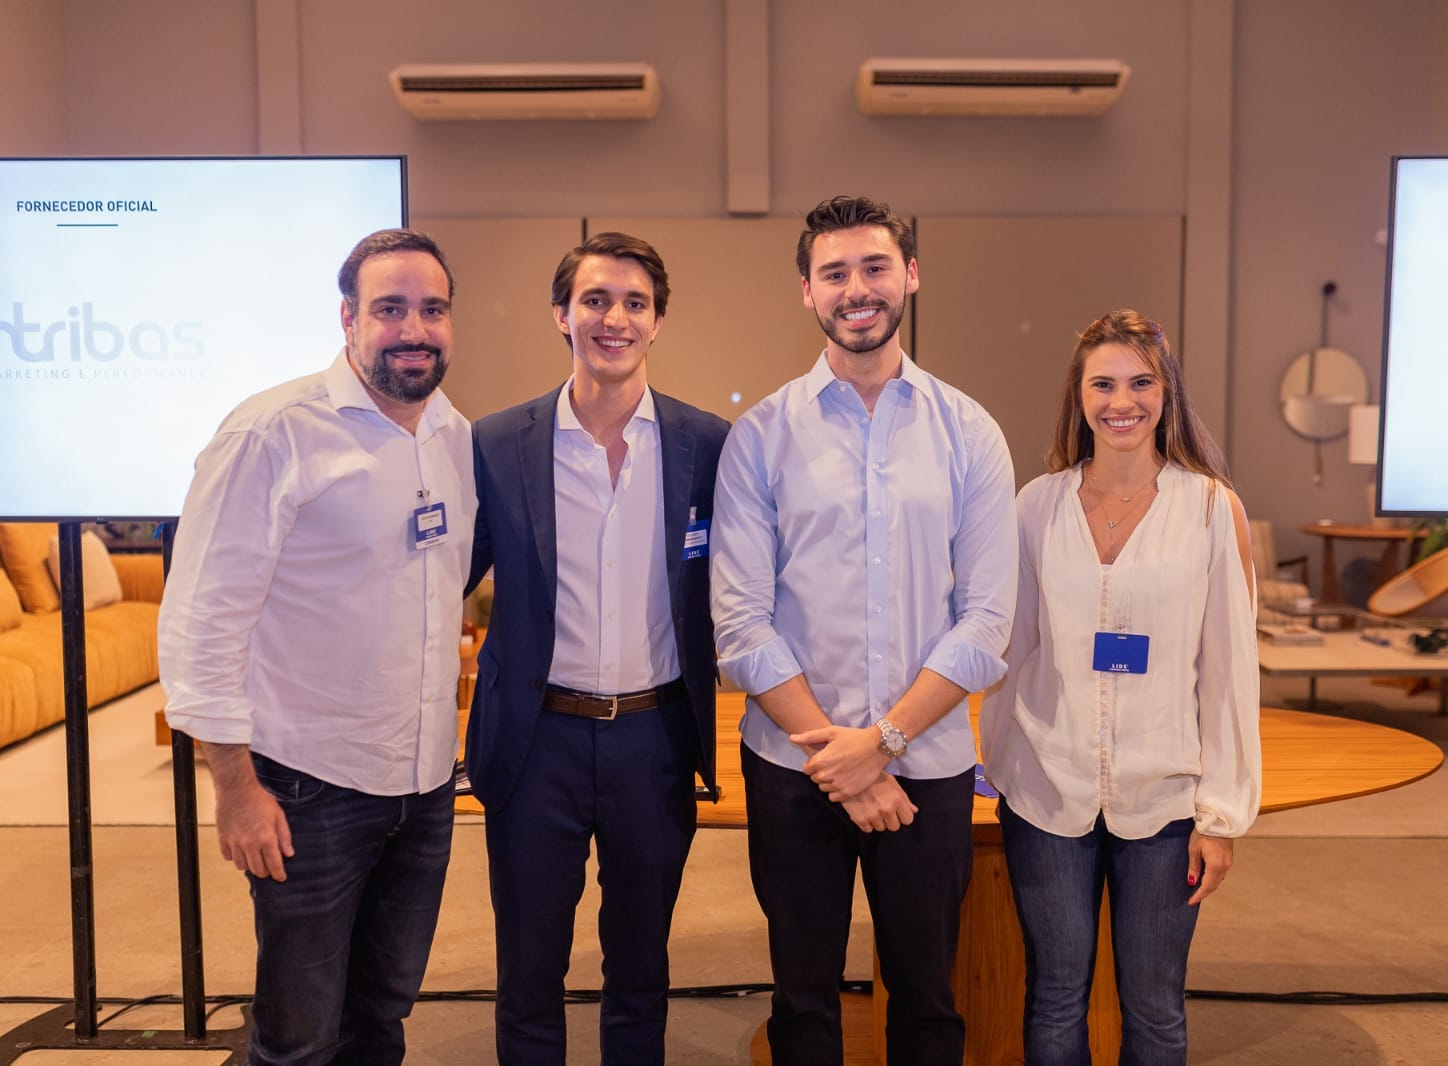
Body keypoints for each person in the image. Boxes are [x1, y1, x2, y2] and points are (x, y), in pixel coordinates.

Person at [712, 195, 1017, 1065]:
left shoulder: (969, 431)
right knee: (802, 1002)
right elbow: (740, 623)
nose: (858, 289)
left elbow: (988, 620)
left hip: (928, 767)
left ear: (911, 276)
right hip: (793, 766)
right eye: (835, 273)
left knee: (928, 1000)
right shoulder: (762, 435)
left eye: (875, 267)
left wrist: (881, 743)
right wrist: (840, 761)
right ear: (806, 292)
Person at [158, 228, 475, 1065]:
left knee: (383, 1015)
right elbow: (202, 617)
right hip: (307, 789)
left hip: (425, 784)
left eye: (432, 309)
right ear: (348, 319)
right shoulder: (271, 433)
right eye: (390, 308)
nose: (415, 327)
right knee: (298, 1032)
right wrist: (233, 785)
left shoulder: (452, 435)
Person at [465, 232, 729, 1065]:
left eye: (635, 304)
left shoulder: (710, 446)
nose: (614, 318)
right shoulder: (497, 442)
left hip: (652, 742)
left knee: (641, 971)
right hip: (532, 740)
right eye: (595, 300)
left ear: (657, 323)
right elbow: (435, 578)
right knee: (529, 974)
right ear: (562, 314)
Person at [983, 309, 1261, 1065]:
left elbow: (1233, 672)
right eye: (1103, 384)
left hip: (1167, 800)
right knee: (1054, 999)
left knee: (1155, 1008)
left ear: (1167, 393)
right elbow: (1009, 648)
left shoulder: (1211, 508)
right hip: (1047, 787)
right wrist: (991, 763)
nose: (1122, 401)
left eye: (1141, 382)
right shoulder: (1035, 506)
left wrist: (1224, 814)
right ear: (1079, 396)